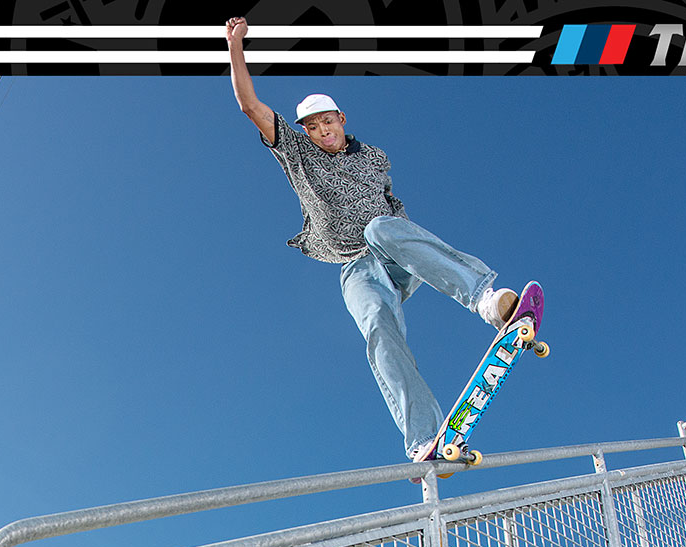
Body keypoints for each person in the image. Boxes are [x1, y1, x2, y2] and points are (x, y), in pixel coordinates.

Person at [225, 16, 526, 463]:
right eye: (314, 127)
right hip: (357, 265)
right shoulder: (296, 151)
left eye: (328, 122)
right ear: (305, 131)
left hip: (395, 251)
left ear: (341, 119)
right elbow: (250, 105)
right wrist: (235, 45)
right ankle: (425, 437)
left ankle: (485, 298)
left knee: (380, 227)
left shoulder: (374, 156)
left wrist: (411, 241)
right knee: (377, 326)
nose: (323, 132)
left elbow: (391, 203)